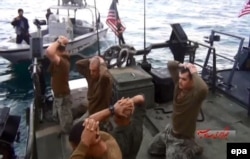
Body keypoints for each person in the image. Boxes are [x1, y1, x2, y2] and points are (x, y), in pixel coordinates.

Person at [148, 61, 209, 159]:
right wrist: (182, 65)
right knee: (152, 150)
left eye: (184, 79)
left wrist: (194, 72)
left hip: (182, 138)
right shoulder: (178, 86)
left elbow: (203, 88)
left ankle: (190, 147)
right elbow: (170, 65)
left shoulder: (195, 96)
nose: (180, 81)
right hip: (170, 130)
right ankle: (192, 147)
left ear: (192, 81)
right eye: (180, 78)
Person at [88, 95, 145, 159]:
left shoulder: (112, 139)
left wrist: (112, 109)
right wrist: (128, 103)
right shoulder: (137, 126)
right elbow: (141, 98)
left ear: (116, 116)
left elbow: (88, 122)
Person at [75, 56, 113, 131]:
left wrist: (102, 63)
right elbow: (78, 64)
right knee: (76, 126)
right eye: (90, 70)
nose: (91, 73)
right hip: (91, 109)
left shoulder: (104, 82)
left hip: (99, 113)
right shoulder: (90, 75)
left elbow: (105, 75)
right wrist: (91, 60)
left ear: (99, 70)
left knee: (80, 129)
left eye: (94, 71)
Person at [45, 35, 73, 134]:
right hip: (57, 93)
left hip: (63, 95)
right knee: (58, 112)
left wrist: (58, 41)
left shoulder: (62, 62)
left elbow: (49, 52)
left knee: (66, 118)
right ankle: (57, 119)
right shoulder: (60, 57)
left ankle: (67, 133)